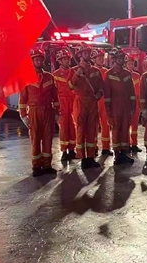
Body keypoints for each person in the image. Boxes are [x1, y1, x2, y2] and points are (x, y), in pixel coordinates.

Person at [18, 49, 60, 177]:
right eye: (36, 60)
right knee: (35, 140)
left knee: (48, 139)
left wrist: (56, 112)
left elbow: (55, 96)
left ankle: (47, 165)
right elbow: (22, 99)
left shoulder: (49, 77)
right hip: (34, 111)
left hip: (48, 111)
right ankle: (36, 167)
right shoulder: (26, 78)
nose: (39, 61)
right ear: (32, 62)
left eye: (41, 59)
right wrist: (24, 116)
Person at [68, 44, 104, 169]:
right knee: (80, 130)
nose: (87, 55)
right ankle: (82, 157)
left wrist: (99, 94)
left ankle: (90, 157)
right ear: (80, 55)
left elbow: (101, 87)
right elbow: (70, 86)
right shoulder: (74, 70)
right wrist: (77, 74)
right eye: (84, 53)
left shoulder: (96, 71)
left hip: (92, 102)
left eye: (88, 53)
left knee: (92, 130)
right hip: (80, 102)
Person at [103, 49, 136, 165]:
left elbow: (131, 91)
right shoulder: (109, 74)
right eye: (119, 58)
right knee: (116, 130)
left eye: (122, 58)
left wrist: (133, 106)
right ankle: (117, 155)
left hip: (126, 107)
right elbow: (107, 96)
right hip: (115, 107)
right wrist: (108, 111)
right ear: (114, 59)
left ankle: (124, 153)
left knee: (125, 130)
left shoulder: (127, 74)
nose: (121, 60)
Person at [52, 48, 76, 161]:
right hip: (62, 103)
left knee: (73, 126)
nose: (67, 60)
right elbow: (53, 91)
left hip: (73, 102)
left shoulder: (73, 72)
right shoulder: (55, 75)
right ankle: (64, 151)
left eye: (68, 59)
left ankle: (72, 150)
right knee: (63, 127)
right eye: (65, 59)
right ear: (60, 61)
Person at [91, 48, 113, 156]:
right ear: (94, 59)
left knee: (106, 124)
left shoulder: (107, 72)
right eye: (98, 58)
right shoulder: (90, 71)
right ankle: (93, 147)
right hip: (95, 101)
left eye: (102, 57)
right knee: (93, 125)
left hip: (104, 100)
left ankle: (106, 147)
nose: (101, 59)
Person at [125, 54, 143, 152]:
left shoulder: (137, 75)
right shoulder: (123, 75)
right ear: (125, 64)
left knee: (135, 124)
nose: (131, 65)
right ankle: (127, 144)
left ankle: (134, 144)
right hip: (126, 103)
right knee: (126, 124)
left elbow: (139, 91)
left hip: (136, 102)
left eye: (132, 64)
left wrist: (140, 105)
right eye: (129, 64)